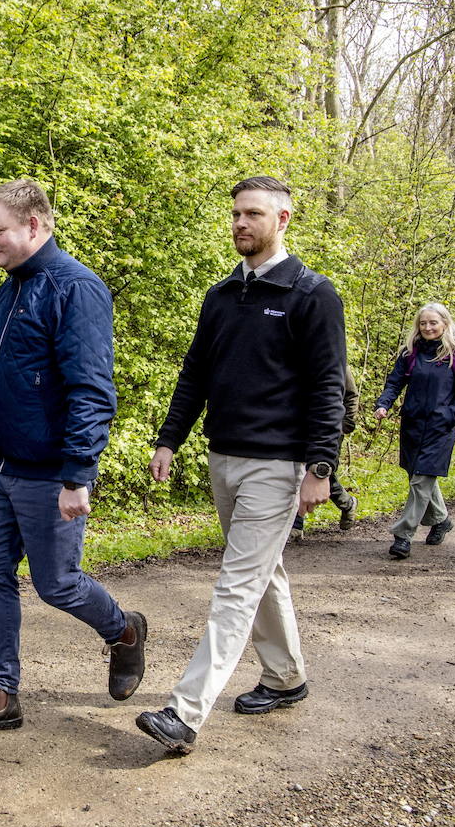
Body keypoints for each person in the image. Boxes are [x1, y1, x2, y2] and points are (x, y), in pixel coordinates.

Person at [135, 176, 346, 754]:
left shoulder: (313, 295)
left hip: (277, 464)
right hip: (222, 456)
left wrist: (320, 467)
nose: (240, 224)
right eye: (235, 214)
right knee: (261, 574)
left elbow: (329, 387)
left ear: (282, 220)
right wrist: (168, 439)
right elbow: (195, 374)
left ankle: (185, 712)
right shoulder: (222, 295)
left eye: (252, 214)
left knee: (236, 585)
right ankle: (285, 677)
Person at [0, 179, 147, 738]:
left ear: (35, 225)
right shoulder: (9, 287)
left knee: (57, 585)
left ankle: (123, 631)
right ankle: (0, 695)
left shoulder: (76, 289)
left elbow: (92, 389)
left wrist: (79, 473)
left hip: (51, 473)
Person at [373, 303, 455, 559]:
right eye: (423, 323)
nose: (428, 328)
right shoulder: (410, 354)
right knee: (417, 476)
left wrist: (450, 415)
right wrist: (384, 404)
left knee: (421, 480)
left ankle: (403, 535)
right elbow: (395, 382)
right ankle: (441, 520)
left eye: (433, 323)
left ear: (445, 324)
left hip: (441, 428)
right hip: (413, 425)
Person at [289, 365, 360, 541]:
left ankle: (348, 503)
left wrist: (346, 423)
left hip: (330, 428)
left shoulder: (335, 362)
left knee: (321, 472)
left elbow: (351, 395)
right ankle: (296, 524)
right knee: (298, 470)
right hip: (299, 427)